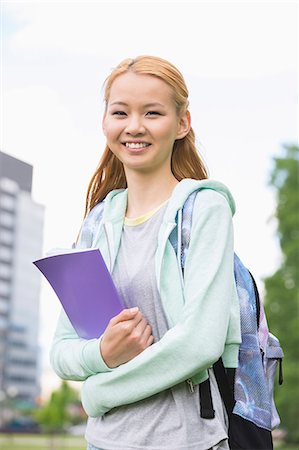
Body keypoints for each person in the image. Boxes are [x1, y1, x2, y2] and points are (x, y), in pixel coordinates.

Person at [50, 55, 241, 450]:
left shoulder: (205, 209)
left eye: (152, 113)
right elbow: (61, 351)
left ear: (182, 123)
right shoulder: (97, 224)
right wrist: (103, 352)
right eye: (120, 112)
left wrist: (98, 393)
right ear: (105, 121)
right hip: (102, 442)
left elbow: (200, 345)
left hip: (188, 441)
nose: (134, 126)